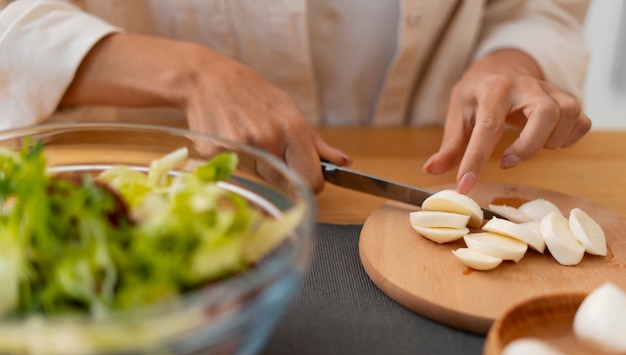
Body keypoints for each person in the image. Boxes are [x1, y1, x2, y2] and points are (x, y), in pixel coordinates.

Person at [0, 0, 592, 194]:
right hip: (142, 173)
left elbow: (545, 10)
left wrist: (512, 60)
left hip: (417, 158)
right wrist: (188, 73)